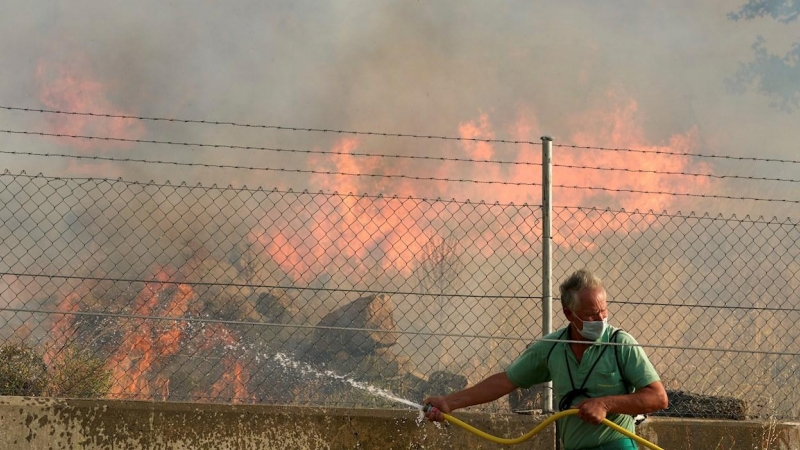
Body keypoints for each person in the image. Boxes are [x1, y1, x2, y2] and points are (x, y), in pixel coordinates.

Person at [423, 269, 668, 450]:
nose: (601, 319)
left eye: (603, 310)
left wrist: (606, 404)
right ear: (569, 314)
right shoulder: (552, 348)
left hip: (617, 445)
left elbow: (658, 397)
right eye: (591, 315)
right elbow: (505, 381)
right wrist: (449, 402)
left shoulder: (620, 344)